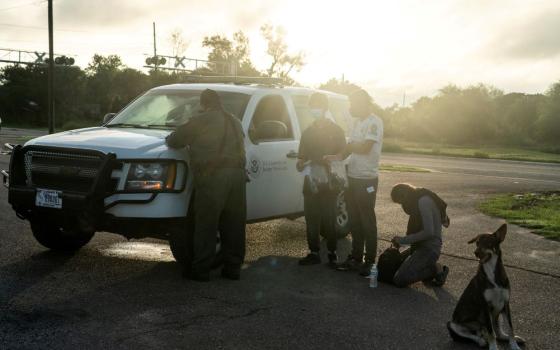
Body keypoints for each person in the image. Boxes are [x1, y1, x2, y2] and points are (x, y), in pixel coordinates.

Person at [166, 89, 246, 281]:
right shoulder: (235, 121)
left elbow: (175, 140)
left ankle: (201, 270)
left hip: (213, 177)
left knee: (206, 225)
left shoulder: (203, 119)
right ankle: (233, 269)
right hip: (238, 177)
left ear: (203, 104)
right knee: (234, 225)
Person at [326, 89, 384, 276]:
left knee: (367, 221)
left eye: (353, 104)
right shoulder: (358, 123)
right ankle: (355, 258)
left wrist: (350, 147)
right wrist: (336, 157)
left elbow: (366, 148)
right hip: (352, 176)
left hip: (367, 179)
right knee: (355, 220)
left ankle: (369, 262)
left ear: (364, 103)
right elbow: (350, 149)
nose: (350, 107)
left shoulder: (374, 122)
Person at [296, 93, 346, 267]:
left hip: (330, 182)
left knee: (329, 218)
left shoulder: (337, 131)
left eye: (317, 106)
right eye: (312, 107)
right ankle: (314, 252)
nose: (314, 110)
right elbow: (300, 158)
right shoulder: (307, 132)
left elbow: (343, 155)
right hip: (311, 181)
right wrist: (300, 164)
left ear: (325, 108)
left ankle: (332, 254)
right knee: (311, 219)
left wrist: (332, 158)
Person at [390, 183, 450, 287]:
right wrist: (401, 241)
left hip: (429, 248)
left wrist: (402, 240)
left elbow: (428, 232)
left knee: (399, 279)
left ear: (404, 195)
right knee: (393, 265)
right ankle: (424, 267)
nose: (402, 205)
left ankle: (435, 269)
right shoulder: (416, 199)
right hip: (419, 245)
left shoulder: (423, 201)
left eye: (401, 202)